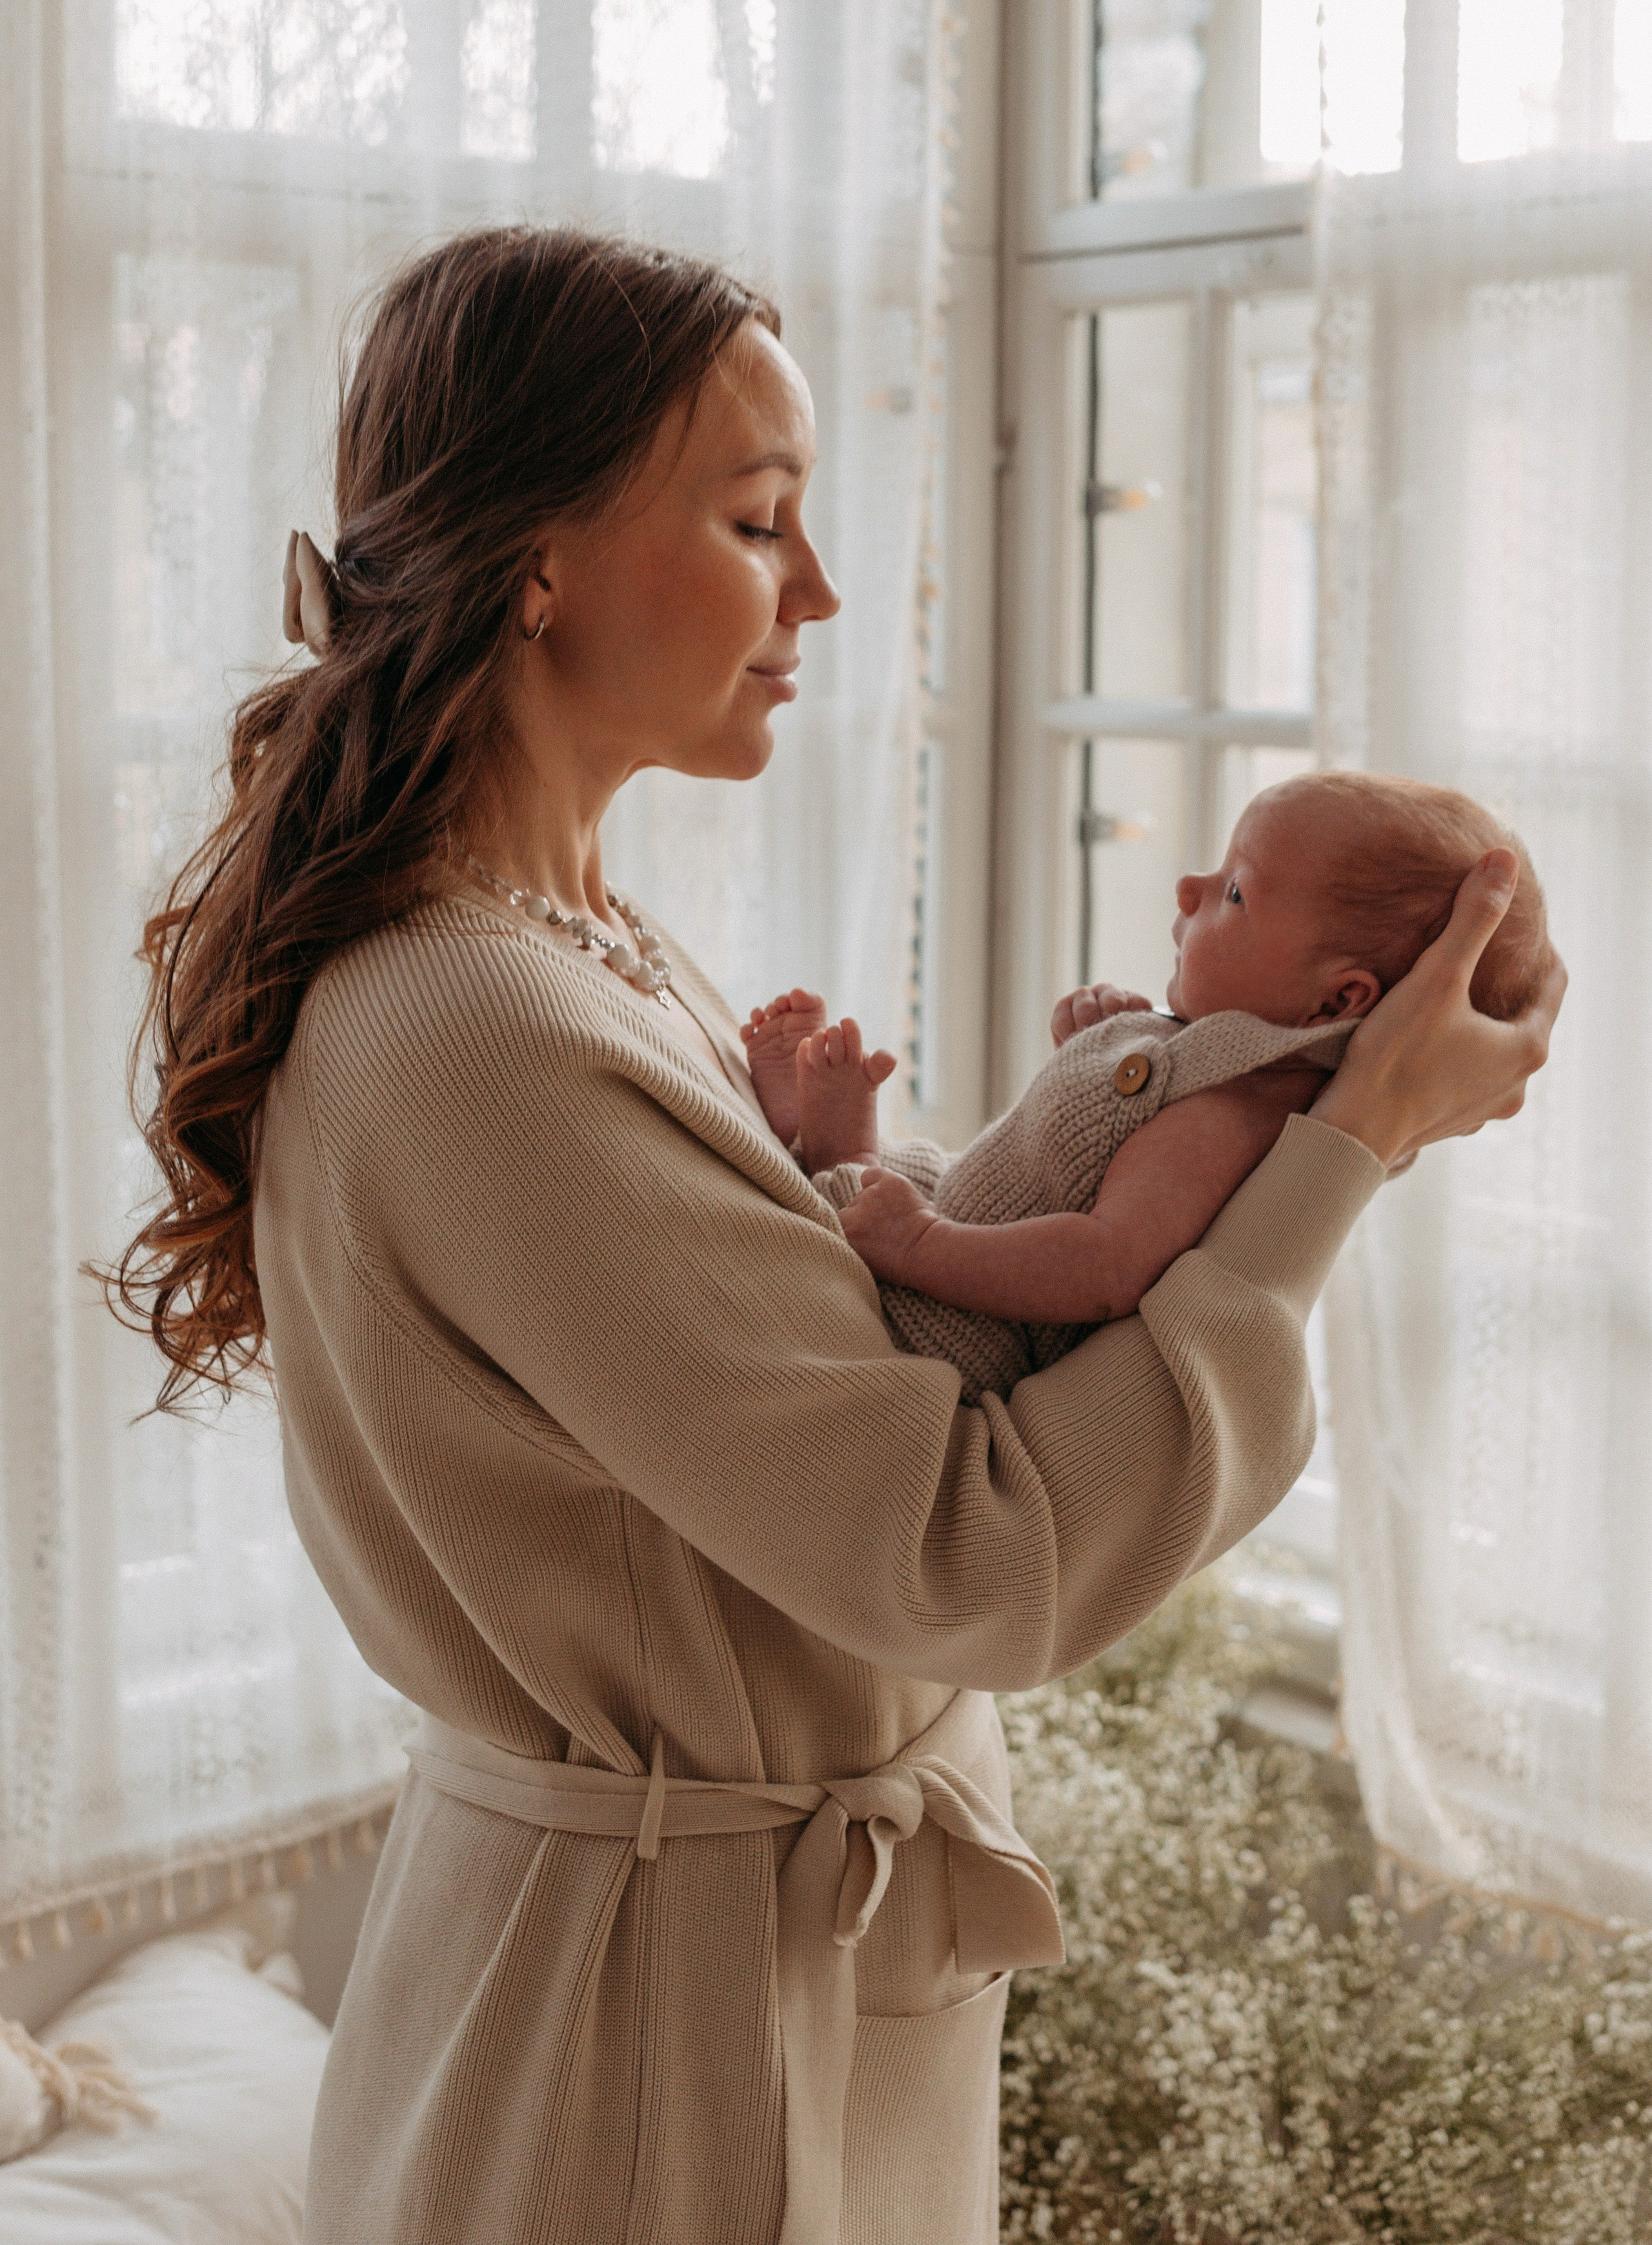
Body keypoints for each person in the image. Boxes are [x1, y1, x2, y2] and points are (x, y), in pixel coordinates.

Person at [112, 225, 1564, 2245]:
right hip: (646, 2058)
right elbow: (962, 1557)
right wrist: (1336, 1155)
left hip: (724, 1964)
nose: (820, 591)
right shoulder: (478, 1024)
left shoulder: (577, 949)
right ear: (537, 556)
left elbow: (831, 1372)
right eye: (760, 519)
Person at [738, 773, 1551, 1403]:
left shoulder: (1232, 1113)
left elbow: (1104, 1266)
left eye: (1235, 892)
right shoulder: (1207, 1058)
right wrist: (1091, 1048)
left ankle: (826, 1145)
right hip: (961, 1210)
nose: (1190, 888)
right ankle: (823, 1142)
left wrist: (920, 1246)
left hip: (962, 1320)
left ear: (1338, 1002)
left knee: (861, 1216)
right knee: (916, 1174)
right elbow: (1088, 1150)